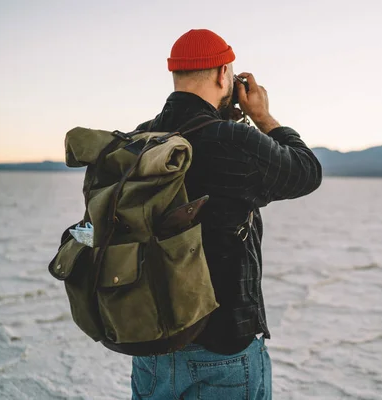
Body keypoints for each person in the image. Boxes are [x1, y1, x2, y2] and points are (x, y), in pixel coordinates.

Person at [130, 29, 323, 400]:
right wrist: (263, 117)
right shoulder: (233, 140)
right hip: (222, 348)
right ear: (223, 75)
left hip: (150, 344)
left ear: (176, 76)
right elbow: (306, 172)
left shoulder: (141, 140)